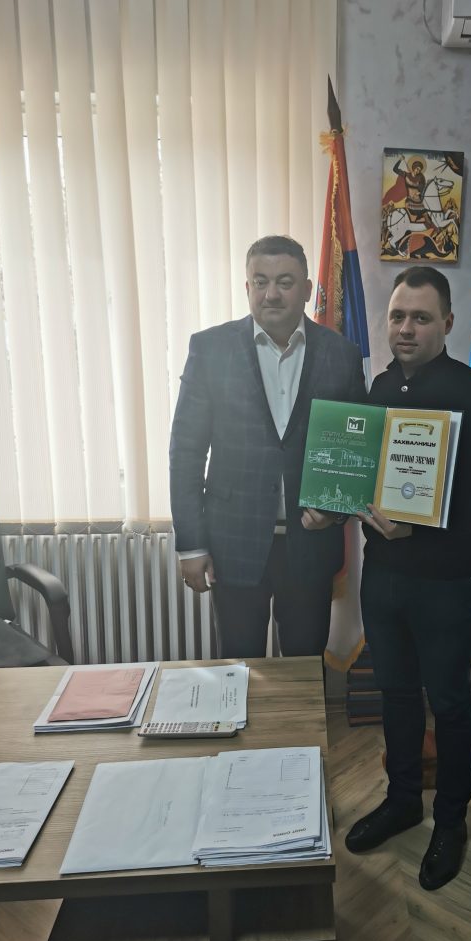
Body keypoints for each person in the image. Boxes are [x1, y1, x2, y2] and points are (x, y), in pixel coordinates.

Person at [345, 265, 471, 891]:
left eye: (420, 318)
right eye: (397, 316)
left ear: (447, 323)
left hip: (447, 580)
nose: (406, 328)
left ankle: (450, 821)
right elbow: (362, 474)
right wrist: (331, 500)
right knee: (395, 694)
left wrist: (423, 523)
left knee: (448, 702)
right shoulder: (378, 389)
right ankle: (401, 801)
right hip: (383, 576)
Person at [169, 235, 367, 659]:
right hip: (232, 543)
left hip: (310, 545)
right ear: (247, 287)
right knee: (238, 667)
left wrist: (336, 511)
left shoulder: (342, 355)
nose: (271, 293)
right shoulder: (210, 349)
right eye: (260, 282)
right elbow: (186, 451)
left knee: (304, 670)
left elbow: (357, 451)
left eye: (284, 282)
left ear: (307, 289)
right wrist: (191, 545)